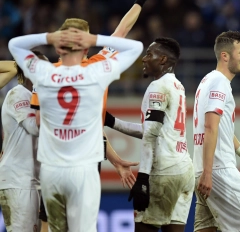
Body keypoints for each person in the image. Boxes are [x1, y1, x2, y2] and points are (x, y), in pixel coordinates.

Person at [8, 27, 144, 231]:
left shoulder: (45, 75)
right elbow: (135, 47)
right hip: (84, 168)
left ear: (59, 49)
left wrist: (48, 37)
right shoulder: (94, 75)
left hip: (53, 167)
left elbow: (14, 45)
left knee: (50, 225)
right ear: (85, 49)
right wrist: (94, 38)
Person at [193, 30, 240, 232]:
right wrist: (209, 173)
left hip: (202, 168)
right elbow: (210, 126)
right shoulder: (219, 83)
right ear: (225, 56)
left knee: (205, 229)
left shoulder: (207, 80)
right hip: (218, 171)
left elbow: (220, 127)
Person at [127, 37, 194, 232]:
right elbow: (157, 130)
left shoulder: (157, 87)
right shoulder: (178, 86)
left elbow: (150, 135)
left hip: (163, 172)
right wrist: (112, 122)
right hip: (183, 169)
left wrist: (142, 178)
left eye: (149, 54)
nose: (144, 59)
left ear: (163, 60)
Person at [0, 52, 47, 232]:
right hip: (18, 180)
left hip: (28, 180)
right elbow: (34, 127)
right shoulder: (18, 94)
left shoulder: (33, 97)